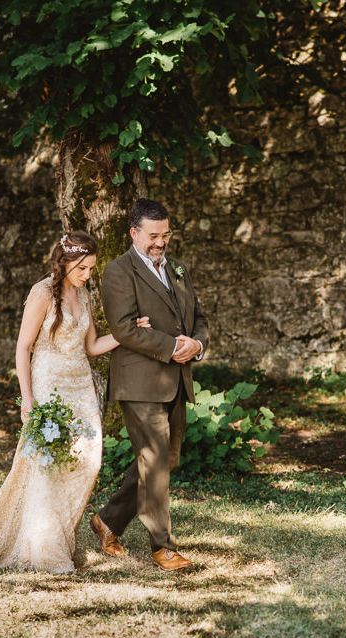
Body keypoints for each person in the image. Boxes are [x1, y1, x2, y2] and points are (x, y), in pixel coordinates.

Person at [0, 231, 150, 573]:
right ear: (65, 263)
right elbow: (22, 347)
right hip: (49, 384)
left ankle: (60, 534)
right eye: (83, 268)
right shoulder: (42, 293)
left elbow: (90, 347)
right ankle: (44, 547)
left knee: (87, 461)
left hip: (80, 384)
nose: (88, 275)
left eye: (91, 268)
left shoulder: (84, 293)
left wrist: (128, 332)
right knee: (48, 465)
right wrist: (27, 399)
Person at [90, 198, 209, 572]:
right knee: (155, 460)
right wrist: (172, 346)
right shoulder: (118, 272)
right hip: (139, 380)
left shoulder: (178, 269)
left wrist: (196, 344)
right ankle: (163, 547)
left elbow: (199, 317)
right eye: (153, 235)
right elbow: (123, 329)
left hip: (176, 378)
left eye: (166, 234)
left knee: (162, 459)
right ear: (134, 233)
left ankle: (108, 521)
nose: (161, 242)